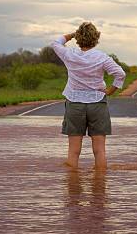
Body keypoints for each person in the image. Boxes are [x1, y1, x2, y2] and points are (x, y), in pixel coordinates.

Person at [51, 22, 126, 170]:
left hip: (74, 103)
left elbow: (55, 42)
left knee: (73, 151)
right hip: (97, 103)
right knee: (99, 151)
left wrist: (73, 34)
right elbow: (120, 74)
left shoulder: (69, 54)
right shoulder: (102, 57)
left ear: (78, 39)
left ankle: (72, 189)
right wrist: (111, 90)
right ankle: (100, 188)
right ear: (96, 39)